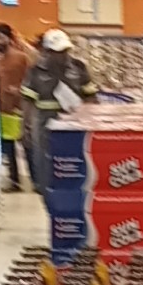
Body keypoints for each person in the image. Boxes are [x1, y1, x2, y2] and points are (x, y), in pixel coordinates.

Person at [21, 29, 97, 196]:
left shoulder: (78, 67)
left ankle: (76, 193)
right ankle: (47, 193)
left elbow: (91, 95)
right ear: (46, 51)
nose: (62, 55)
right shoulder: (35, 71)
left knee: (75, 160)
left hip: (75, 122)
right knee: (44, 161)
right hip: (45, 123)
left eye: (64, 51)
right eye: (57, 52)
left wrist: (89, 116)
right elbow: (28, 100)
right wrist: (25, 126)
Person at [0, 24, 33, 192]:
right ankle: (14, 180)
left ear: (9, 38)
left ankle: (35, 179)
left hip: (20, 108)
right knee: (8, 146)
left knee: (27, 145)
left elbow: (31, 79)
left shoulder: (20, 58)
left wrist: (19, 90)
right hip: (3, 110)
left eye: (1, 37)